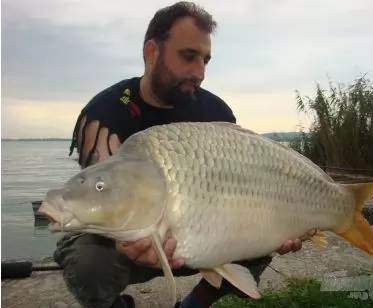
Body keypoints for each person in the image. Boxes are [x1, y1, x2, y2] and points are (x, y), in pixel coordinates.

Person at [53, 2, 305, 308]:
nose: (199, 72)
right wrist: (127, 241)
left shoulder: (216, 112)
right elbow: (100, 203)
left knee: (261, 233)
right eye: (188, 56)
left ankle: (194, 304)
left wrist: (284, 224)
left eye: (205, 61)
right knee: (87, 261)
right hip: (129, 240)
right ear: (151, 52)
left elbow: (243, 190)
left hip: (200, 234)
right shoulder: (104, 115)